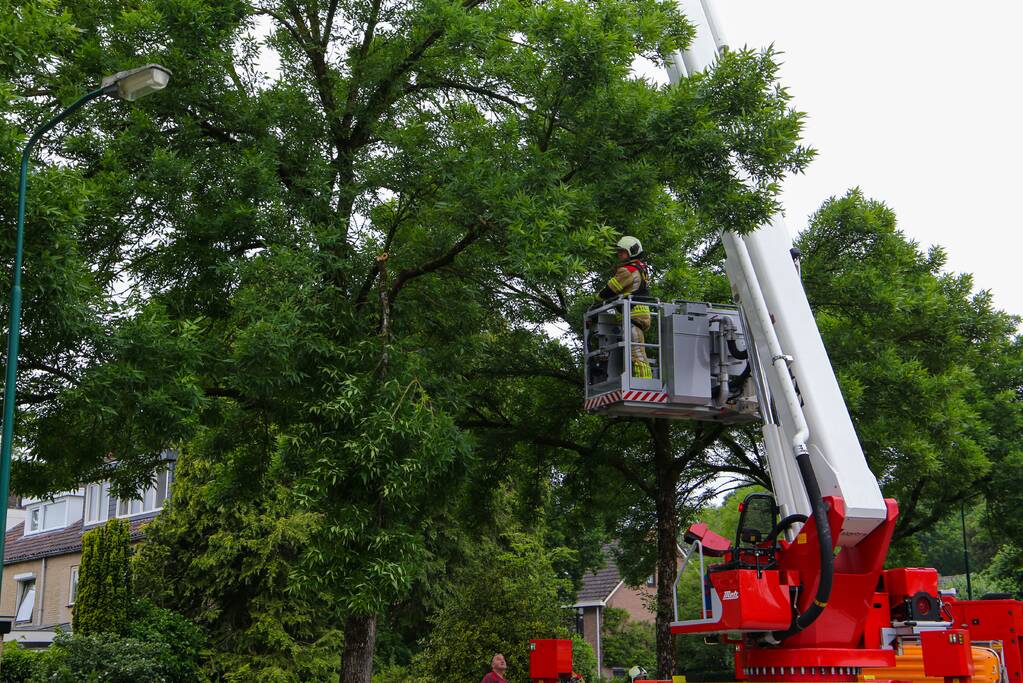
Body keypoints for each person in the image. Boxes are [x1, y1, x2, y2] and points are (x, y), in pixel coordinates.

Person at [598, 235, 653, 379]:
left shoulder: (627, 270)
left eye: (622, 252)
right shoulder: (641, 268)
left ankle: (644, 385)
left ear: (632, 251)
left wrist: (595, 301)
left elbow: (608, 291)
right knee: (633, 353)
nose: (619, 255)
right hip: (636, 315)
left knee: (637, 355)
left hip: (632, 316)